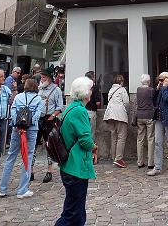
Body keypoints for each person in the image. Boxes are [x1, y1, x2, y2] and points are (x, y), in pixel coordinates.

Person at [55, 76, 96, 226]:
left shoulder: (71, 107)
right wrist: (94, 147)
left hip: (70, 165)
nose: (92, 92)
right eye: (90, 89)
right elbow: (85, 140)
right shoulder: (79, 111)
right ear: (86, 93)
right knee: (73, 214)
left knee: (75, 210)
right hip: (75, 165)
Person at [0, 78, 42, 199]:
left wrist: (17, 125)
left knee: (11, 157)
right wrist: (29, 124)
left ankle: (2, 188)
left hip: (17, 130)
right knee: (27, 157)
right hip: (31, 130)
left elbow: (13, 111)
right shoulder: (38, 99)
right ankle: (22, 190)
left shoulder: (18, 97)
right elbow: (37, 115)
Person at [32, 68, 64, 183]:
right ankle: (30, 171)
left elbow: (60, 107)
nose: (42, 79)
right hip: (38, 119)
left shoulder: (56, 90)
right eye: (41, 77)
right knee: (34, 144)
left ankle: (49, 171)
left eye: (44, 77)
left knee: (49, 145)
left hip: (49, 119)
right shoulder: (39, 89)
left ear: (49, 78)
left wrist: (52, 117)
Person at [103, 74, 129, 168]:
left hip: (110, 114)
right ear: (121, 81)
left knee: (113, 136)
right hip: (119, 115)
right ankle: (119, 159)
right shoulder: (122, 90)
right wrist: (126, 111)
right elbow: (126, 102)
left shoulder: (111, 90)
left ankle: (114, 157)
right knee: (121, 137)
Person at [136, 74, 155, 169]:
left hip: (139, 116)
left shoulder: (138, 90)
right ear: (148, 81)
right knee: (150, 138)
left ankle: (140, 162)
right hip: (149, 116)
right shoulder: (151, 90)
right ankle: (150, 163)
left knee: (140, 139)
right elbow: (154, 100)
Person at [84, 71, 101, 142]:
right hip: (91, 111)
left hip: (84, 111)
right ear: (92, 77)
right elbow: (98, 103)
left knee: (84, 131)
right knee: (91, 133)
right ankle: (90, 150)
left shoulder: (83, 87)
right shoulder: (94, 87)